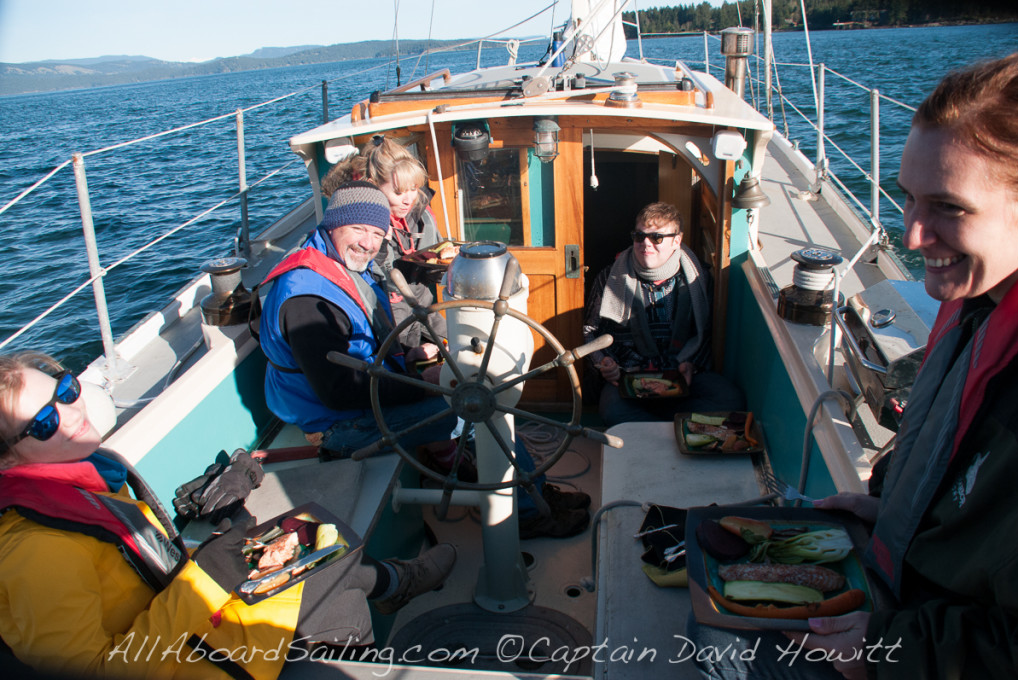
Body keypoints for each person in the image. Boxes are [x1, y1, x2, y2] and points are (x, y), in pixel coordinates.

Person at [692, 51, 1018, 680]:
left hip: (916, 644)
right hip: (909, 585)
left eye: (949, 207)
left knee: (722, 641)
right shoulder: (983, 308)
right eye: (908, 199)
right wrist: (898, 510)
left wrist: (882, 648)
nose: (913, 235)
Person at [0, 351, 457, 678]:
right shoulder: (37, 552)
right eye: (42, 423)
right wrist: (207, 578)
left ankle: (396, 583)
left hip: (199, 628)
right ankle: (370, 630)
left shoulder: (85, 479)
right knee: (333, 593)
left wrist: (211, 554)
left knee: (316, 535)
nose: (68, 413)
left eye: (66, 390)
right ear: (8, 458)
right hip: (203, 661)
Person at [258, 180, 590, 539]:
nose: (368, 243)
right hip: (336, 426)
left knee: (480, 398)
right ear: (332, 224)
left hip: (361, 395)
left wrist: (412, 358)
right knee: (483, 411)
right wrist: (425, 384)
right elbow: (339, 393)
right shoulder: (307, 300)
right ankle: (528, 513)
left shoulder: (340, 264)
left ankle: (532, 490)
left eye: (376, 232)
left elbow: (360, 351)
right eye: (357, 229)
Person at [582, 202, 744, 426]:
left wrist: (690, 365)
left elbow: (705, 331)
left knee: (729, 398)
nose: (646, 244)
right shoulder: (609, 278)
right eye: (639, 236)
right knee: (612, 410)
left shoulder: (699, 278)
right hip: (629, 375)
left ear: (677, 240)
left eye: (657, 237)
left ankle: (656, 424)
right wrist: (605, 365)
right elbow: (592, 332)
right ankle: (676, 424)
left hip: (680, 372)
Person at [321, 135, 447, 350]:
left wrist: (440, 269)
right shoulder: (362, 230)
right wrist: (379, 252)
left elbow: (437, 256)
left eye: (414, 188)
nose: (409, 199)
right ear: (375, 186)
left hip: (424, 305)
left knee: (460, 344)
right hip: (389, 317)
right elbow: (363, 281)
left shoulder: (423, 214)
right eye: (399, 192)